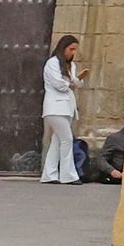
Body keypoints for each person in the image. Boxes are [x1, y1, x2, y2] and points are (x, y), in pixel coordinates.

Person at [41, 35, 86, 185]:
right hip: (55, 107)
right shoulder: (52, 63)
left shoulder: (71, 66)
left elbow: (76, 84)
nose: (73, 52)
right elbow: (58, 84)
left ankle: (49, 174)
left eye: (75, 50)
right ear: (63, 48)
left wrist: (77, 81)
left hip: (67, 107)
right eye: (71, 49)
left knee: (57, 141)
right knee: (67, 139)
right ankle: (68, 175)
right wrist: (71, 84)